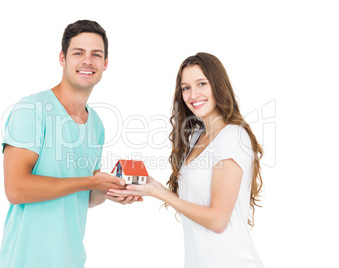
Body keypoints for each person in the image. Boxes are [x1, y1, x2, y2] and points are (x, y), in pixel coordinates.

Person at [0, 20, 141, 268]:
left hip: (71, 260)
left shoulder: (96, 124)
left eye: (96, 54)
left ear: (105, 64)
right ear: (62, 58)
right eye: (78, 53)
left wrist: (107, 190)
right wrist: (90, 181)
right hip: (25, 261)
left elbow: (84, 197)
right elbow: (16, 189)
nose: (88, 61)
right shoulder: (31, 109)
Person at [108, 52, 264, 267]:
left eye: (202, 84)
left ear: (218, 85)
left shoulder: (232, 136)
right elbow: (196, 205)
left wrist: (159, 192)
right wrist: (151, 186)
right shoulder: (198, 139)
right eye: (186, 87)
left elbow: (218, 220)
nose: (193, 95)